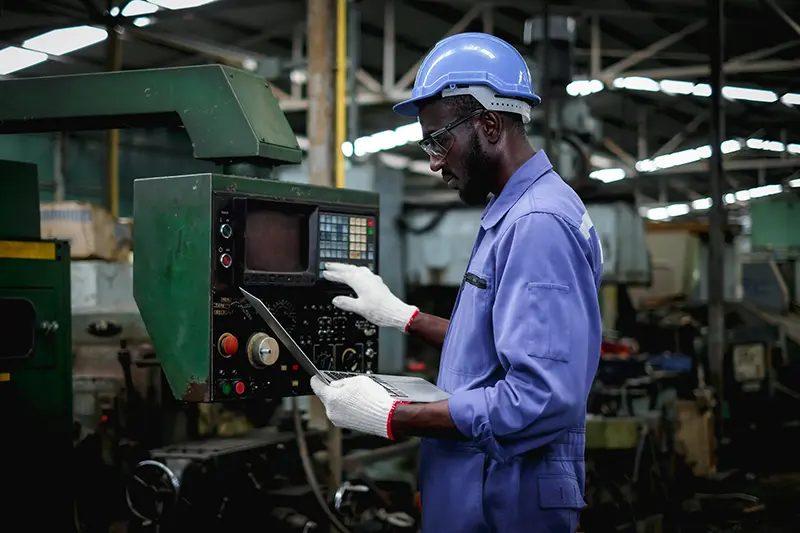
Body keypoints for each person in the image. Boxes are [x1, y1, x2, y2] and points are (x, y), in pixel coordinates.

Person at [311, 32, 603, 533]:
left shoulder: (536, 224)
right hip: (485, 491)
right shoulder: (513, 214)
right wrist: (404, 317)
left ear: (489, 124)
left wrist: (391, 416)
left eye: (438, 139)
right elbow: (500, 344)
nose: (434, 160)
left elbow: (539, 399)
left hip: (505, 501)